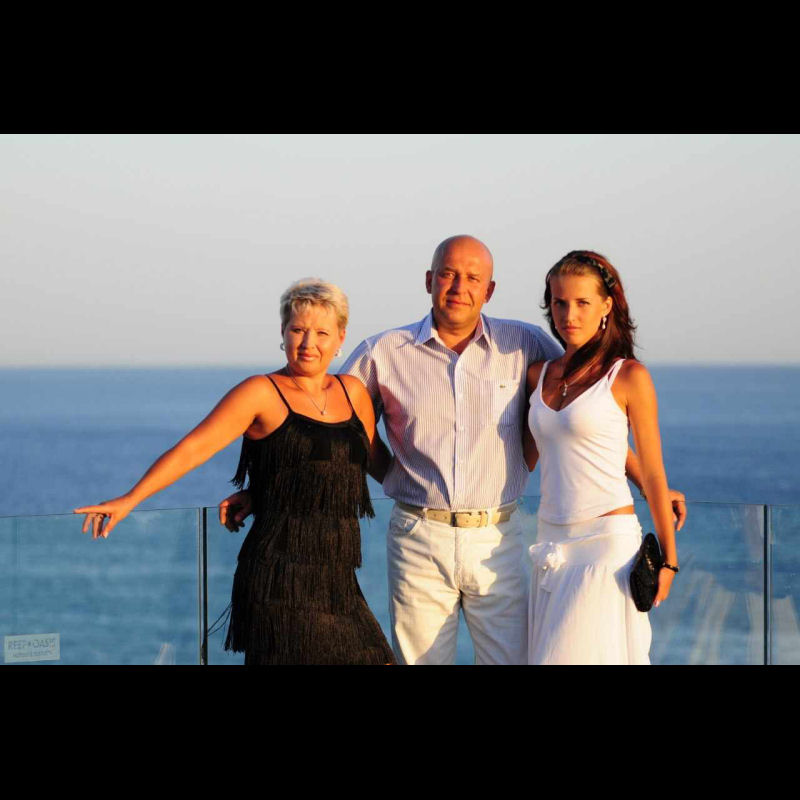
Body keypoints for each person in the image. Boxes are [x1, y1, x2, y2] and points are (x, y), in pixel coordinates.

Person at [221, 236, 688, 666]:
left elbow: (581, 415)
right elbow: (326, 422)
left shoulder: (527, 345)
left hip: (500, 538)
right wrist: (266, 490)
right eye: (447, 274)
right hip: (418, 536)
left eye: (472, 278)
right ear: (429, 280)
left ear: (489, 290)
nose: (459, 287)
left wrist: (649, 485)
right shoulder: (383, 352)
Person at [75, 278, 396, 666]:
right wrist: (130, 499)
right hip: (279, 576)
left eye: (322, 333)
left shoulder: (353, 392)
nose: (308, 343)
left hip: (338, 580)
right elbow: (193, 449)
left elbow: (368, 462)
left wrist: (435, 497)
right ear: (283, 332)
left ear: (341, 337)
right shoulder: (260, 392)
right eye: (298, 330)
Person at [524, 250, 679, 664]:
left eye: (582, 302)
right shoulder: (539, 375)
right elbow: (590, 443)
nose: (569, 315)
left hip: (605, 547)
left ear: (606, 306)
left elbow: (653, 470)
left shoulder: (628, 376)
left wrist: (670, 561)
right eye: (559, 303)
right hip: (549, 546)